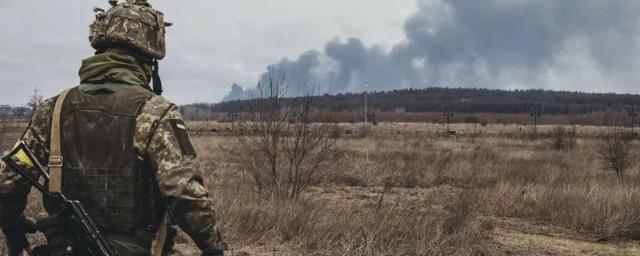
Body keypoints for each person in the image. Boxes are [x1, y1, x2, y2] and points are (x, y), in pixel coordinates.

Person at [0, 0, 226, 255]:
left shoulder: (52, 110)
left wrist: (13, 230)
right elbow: (186, 194)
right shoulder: (154, 112)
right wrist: (215, 249)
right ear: (149, 59)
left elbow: (8, 180)